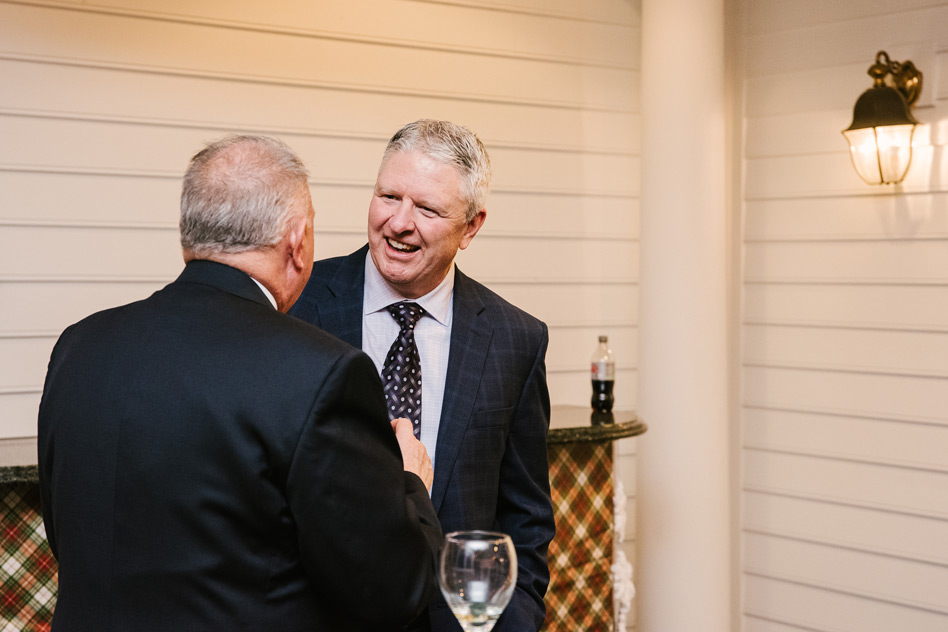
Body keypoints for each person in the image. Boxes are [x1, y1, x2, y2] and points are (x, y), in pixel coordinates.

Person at [37, 135, 442, 632]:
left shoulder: (79, 347)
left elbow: (67, 533)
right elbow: (393, 592)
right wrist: (410, 484)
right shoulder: (321, 373)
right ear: (297, 241)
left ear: (189, 235)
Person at [289, 119, 555, 632]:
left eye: (427, 209)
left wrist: (515, 621)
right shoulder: (296, 304)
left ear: (471, 227)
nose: (399, 223)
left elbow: (527, 518)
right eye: (389, 196)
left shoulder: (516, 339)